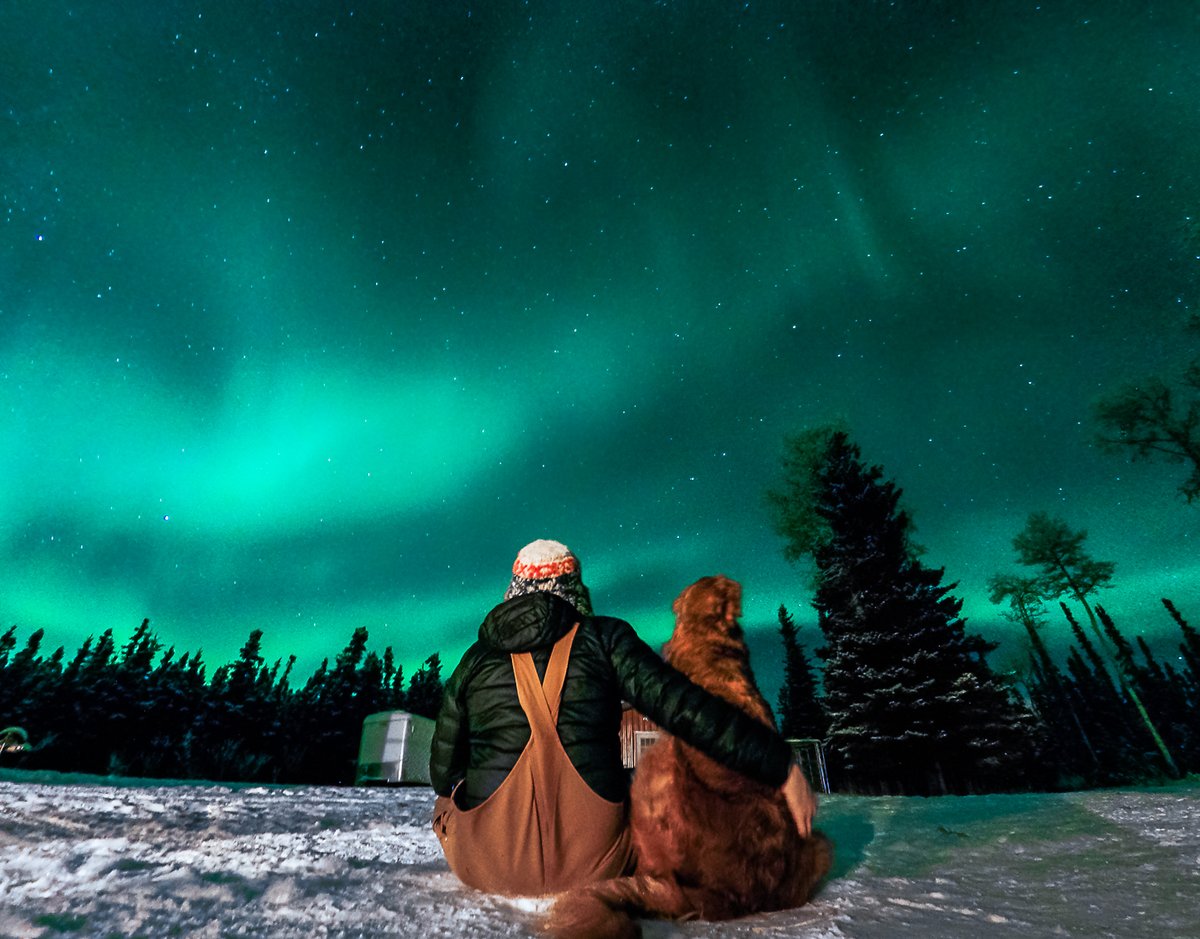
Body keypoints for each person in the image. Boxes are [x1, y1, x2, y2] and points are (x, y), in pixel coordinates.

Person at [429, 538, 817, 896]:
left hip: (489, 868)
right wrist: (778, 764)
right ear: (574, 587)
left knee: (447, 804)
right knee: (645, 784)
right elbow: (687, 709)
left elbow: (443, 775)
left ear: (512, 590)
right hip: (599, 864)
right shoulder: (605, 638)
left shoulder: (473, 661)